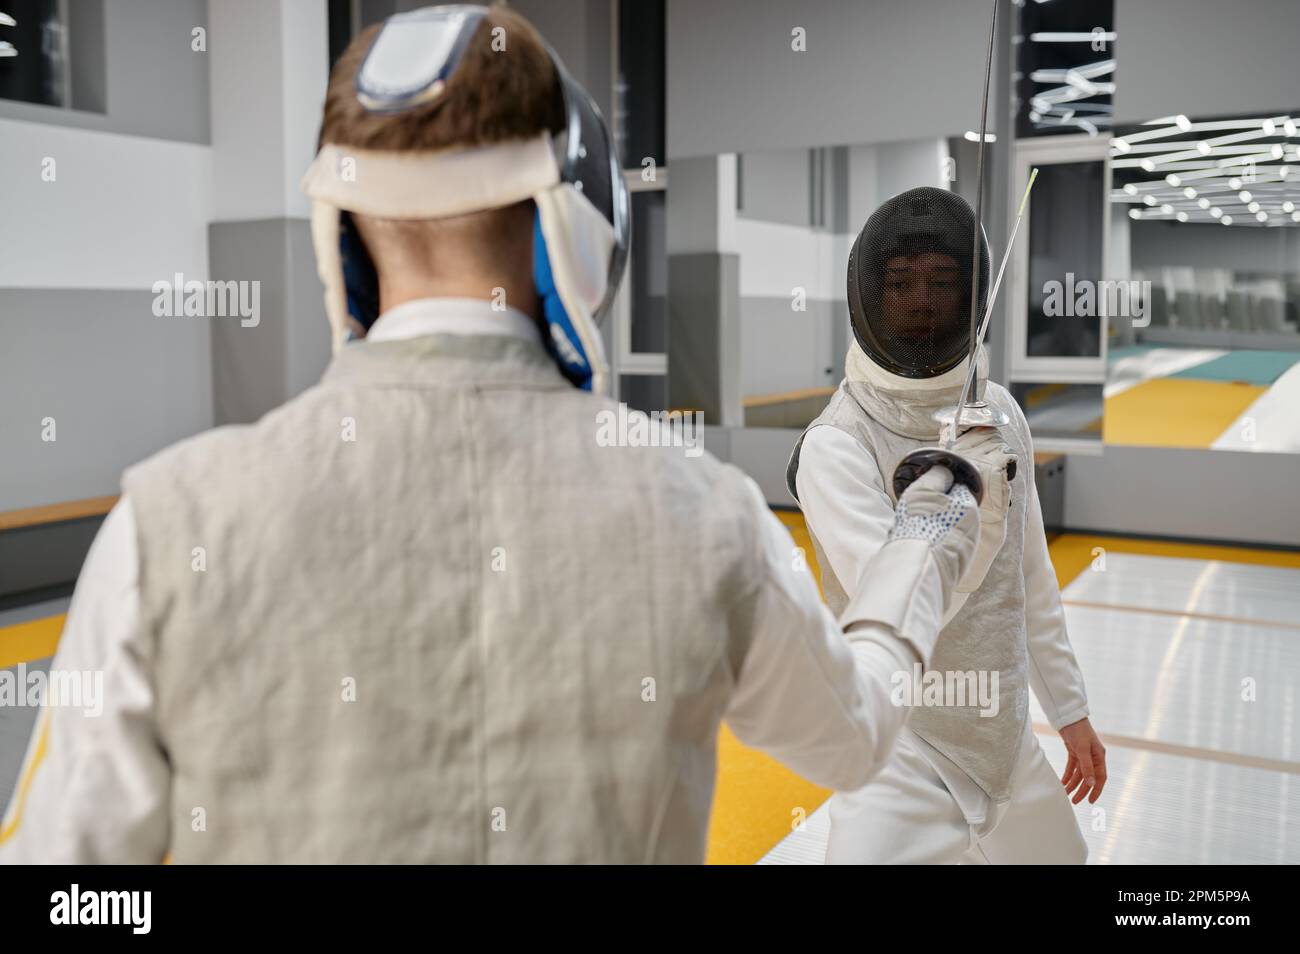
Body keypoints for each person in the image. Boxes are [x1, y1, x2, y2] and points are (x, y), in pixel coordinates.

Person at [0, 6, 993, 864]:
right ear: (584, 230)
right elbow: (855, 732)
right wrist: (927, 524)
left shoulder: (165, 526)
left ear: (342, 233)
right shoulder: (707, 515)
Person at [788, 186, 1106, 864]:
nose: (922, 299)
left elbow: (1027, 578)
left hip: (1002, 737)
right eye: (900, 282)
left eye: (942, 280)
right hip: (899, 749)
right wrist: (974, 507)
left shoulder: (1000, 414)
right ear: (870, 293)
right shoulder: (837, 445)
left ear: (971, 295)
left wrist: (1069, 709)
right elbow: (905, 608)